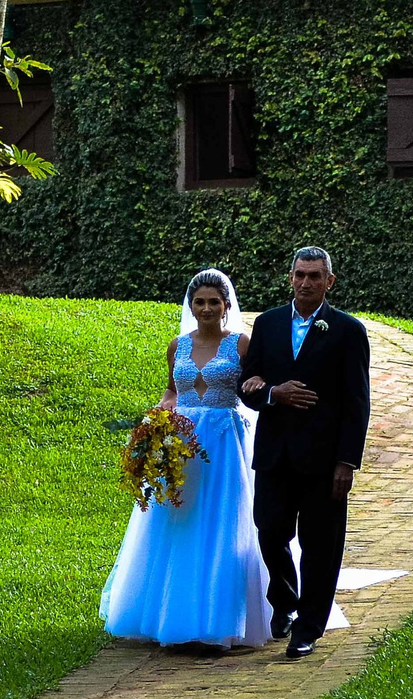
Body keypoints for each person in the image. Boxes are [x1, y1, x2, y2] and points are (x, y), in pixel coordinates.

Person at [98, 269, 271, 650]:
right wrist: (160, 414)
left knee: (223, 521)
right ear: (191, 307)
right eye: (200, 302)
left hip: (224, 442)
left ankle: (218, 621)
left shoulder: (241, 344)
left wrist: (258, 385)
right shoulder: (177, 346)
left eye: (214, 302)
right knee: (182, 521)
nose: (206, 309)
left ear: (226, 306)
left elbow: (255, 385)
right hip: (182, 443)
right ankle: (173, 614)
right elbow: (172, 391)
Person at [239, 246, 371, 658]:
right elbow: (248, 385)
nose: (306, 282)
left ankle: (309, 627)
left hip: (324, 459)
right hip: (275, 454)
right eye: (300, 274)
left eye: (315, 276)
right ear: (290, 277)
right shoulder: (267, 324)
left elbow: (357, 402)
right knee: (269, 531)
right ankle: (284, 602)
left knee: (320, 546)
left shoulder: (347, 331)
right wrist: (272, 393)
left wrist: (346, 461)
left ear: (329, 281)